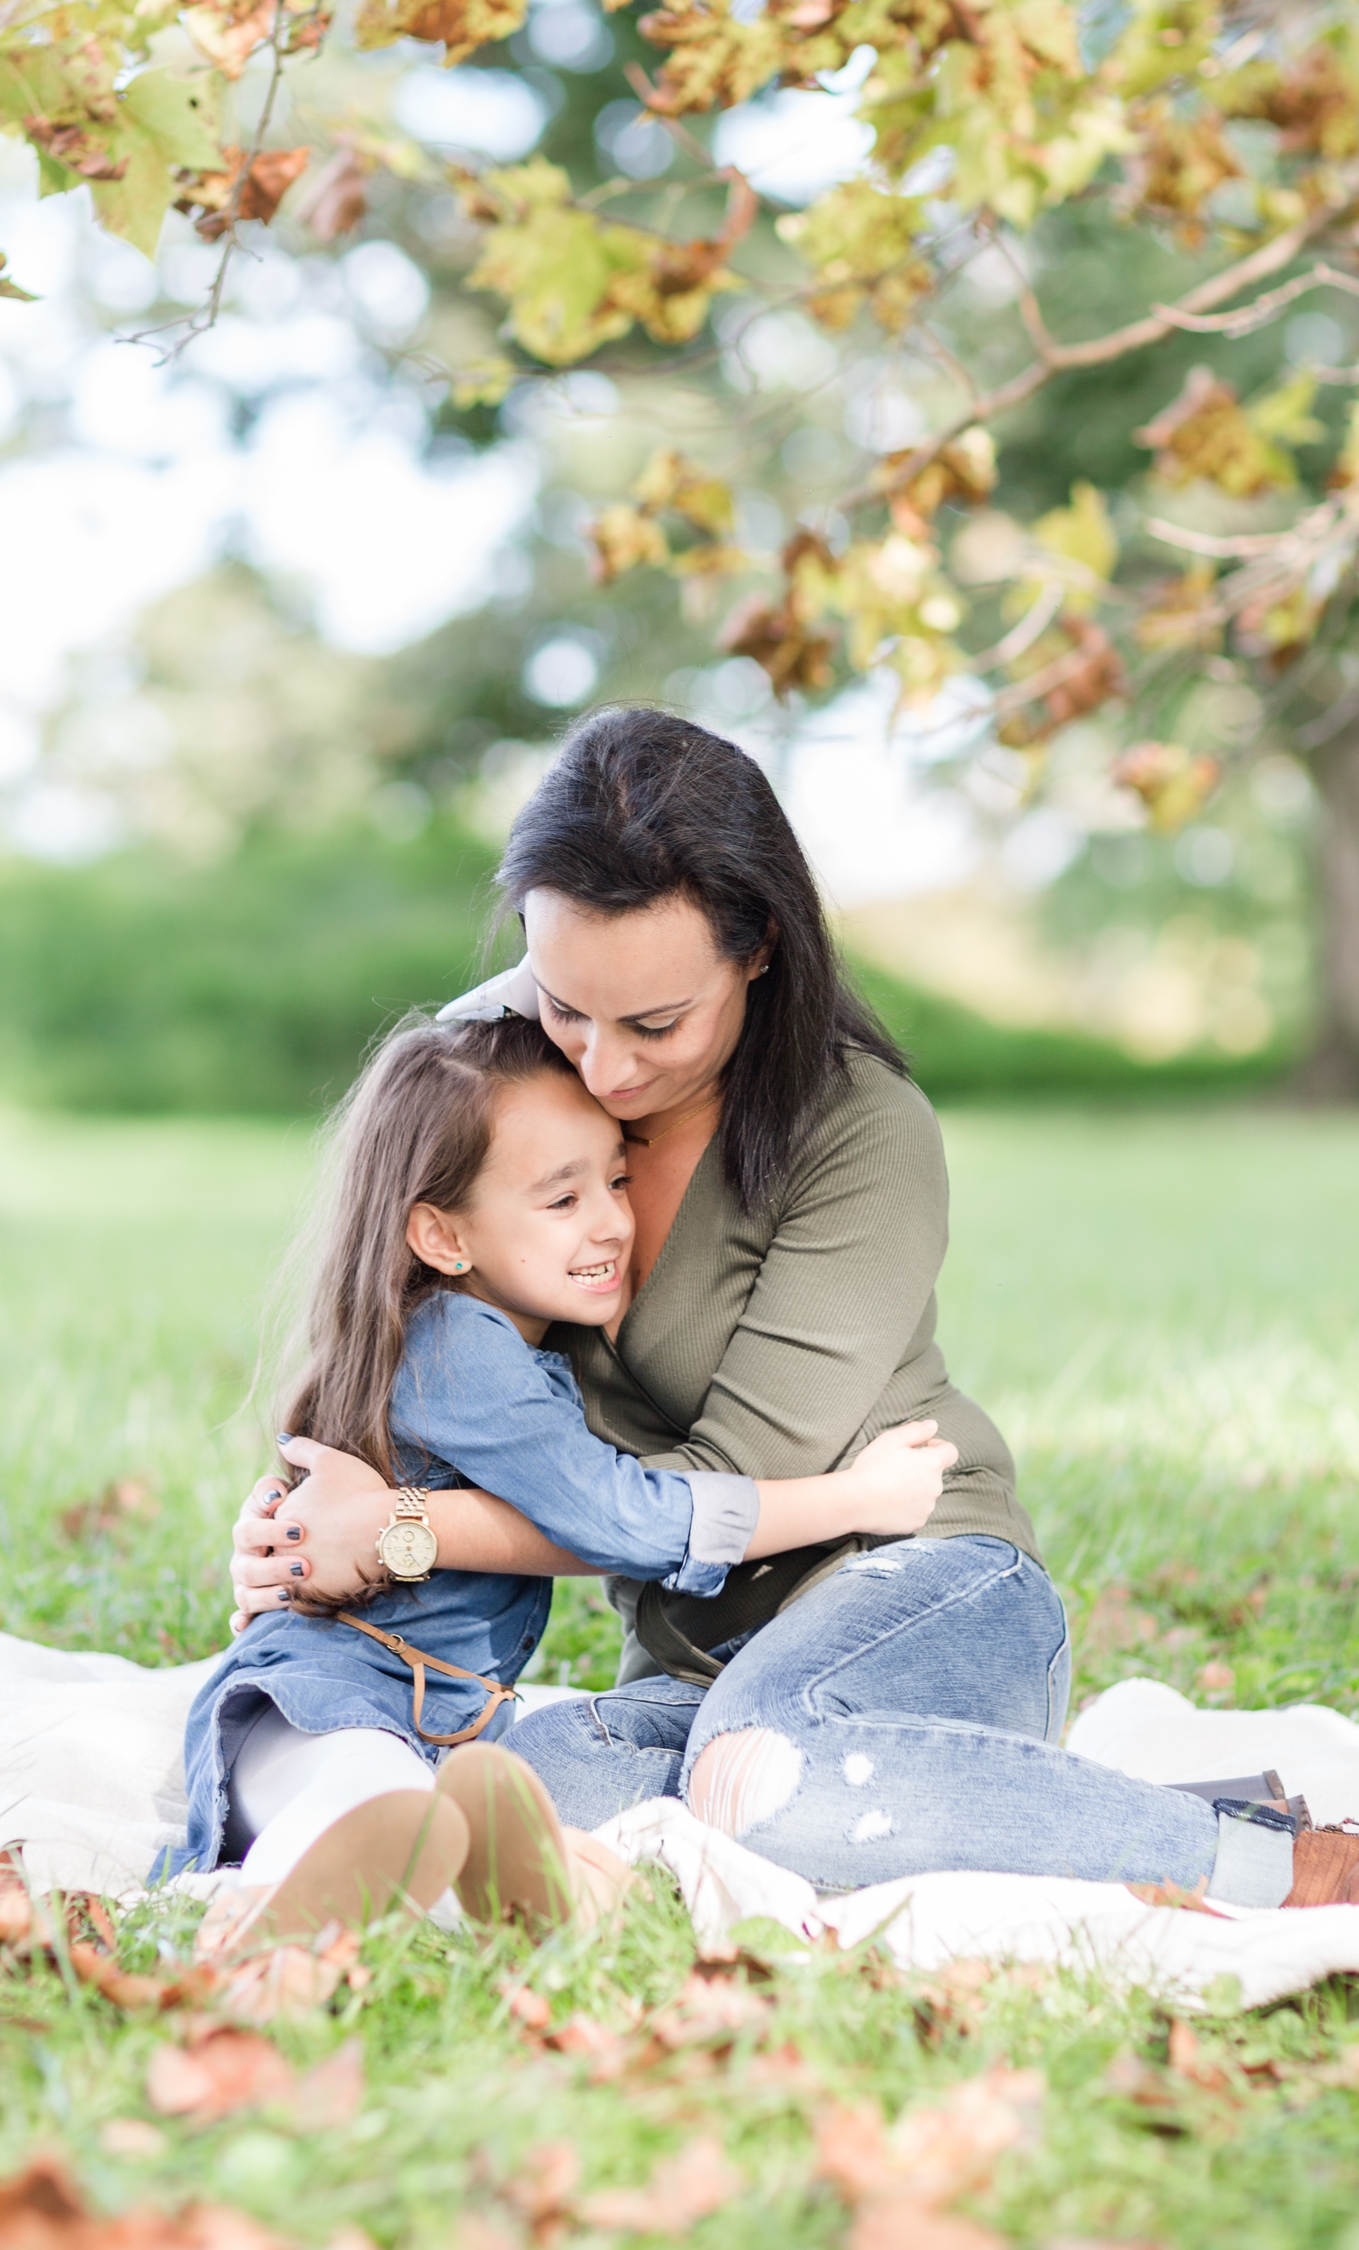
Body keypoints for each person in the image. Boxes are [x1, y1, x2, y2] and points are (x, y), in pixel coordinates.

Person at [227, 709, 1354, 1912]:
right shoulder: (502, 1076)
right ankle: (1051, 1806)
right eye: (564, 1004)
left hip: (916, 1574)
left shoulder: (862, 1134)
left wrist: (407, 1527)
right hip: (697, 1667)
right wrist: (300, 1522)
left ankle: (1276, 1862)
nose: (602, 1068)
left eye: (656, 1024)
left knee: (766, 1778)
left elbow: (698, 1492)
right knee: (478, 1790)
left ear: (758, 947)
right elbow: (399, 1317)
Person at [172, 1009, 954, 1928]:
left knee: (432, 1815)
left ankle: (540, 1885)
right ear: (442, 1237)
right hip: (320, 1704)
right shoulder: (461, 1345)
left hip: (419, 1723)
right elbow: (619, 1517)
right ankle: (262, 1934)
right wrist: (853, 1498)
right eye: (562, 1199)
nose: (614, 1223)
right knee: (368, 1794)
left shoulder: (483, 1334)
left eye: (617, 1181)